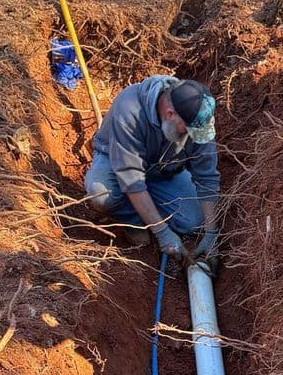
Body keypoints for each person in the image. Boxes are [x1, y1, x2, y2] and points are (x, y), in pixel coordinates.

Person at [84, 74, 220, 268]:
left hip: (162, 170)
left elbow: (206, 177)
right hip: (117, 165)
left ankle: (154, 209)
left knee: (193, 221)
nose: (192, 136)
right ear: (170, 114)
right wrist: (162, 232)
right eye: (187, 130)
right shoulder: (130, 111)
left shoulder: (197, 116)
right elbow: (131, 180)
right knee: (101, 194)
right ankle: (134, 220)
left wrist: (211, 233)